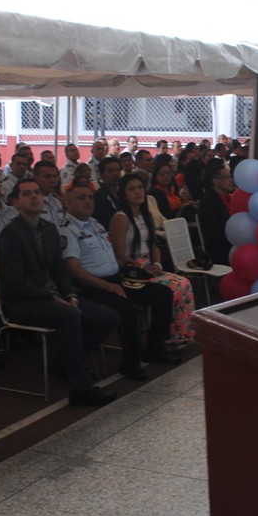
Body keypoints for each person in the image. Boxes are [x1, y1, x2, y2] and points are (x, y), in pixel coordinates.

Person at [0, 179, 117, 406]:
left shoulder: (49, 229)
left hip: (54, 297)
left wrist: (70, 294)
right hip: (25, 302)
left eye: (37, 193)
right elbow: (15, 283)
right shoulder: (11, 234)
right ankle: (80, 389)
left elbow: (59, 271)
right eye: (27, 194)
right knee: (70, 316)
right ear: (17, 202)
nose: (34, 197)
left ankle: (63, 362)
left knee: (107, 317)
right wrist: (52, 297)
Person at [60, 185, 180, 380]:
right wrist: (108, 286)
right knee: (125, 307)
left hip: (116, 277)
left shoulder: (95, 224)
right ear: (67, 203)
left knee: (162, 293)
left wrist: (132, 267)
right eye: (81, 198)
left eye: (90, 197)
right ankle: (131, 362)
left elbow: (112, 256)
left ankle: (154, 348)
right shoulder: (67, 230)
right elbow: (73, 269)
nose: (88, 201)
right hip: (90, 285)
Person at [110, 174, 195, 347]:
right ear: (124, 194)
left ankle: (178, 335)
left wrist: (157, 264)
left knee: (184, 283)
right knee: (176, 286)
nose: (137, 192)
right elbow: (119, 254)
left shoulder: (145, 214)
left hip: (149, 266)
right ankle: (167, 336)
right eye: (132, 189)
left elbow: (154, 245)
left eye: (140, 188)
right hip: (130, 270)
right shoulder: (121, 218)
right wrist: (142, 268)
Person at [197, 164, 234, 265]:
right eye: (227, 177)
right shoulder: (208, 202)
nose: (231, 180)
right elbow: (212, 234)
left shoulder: (232, 198)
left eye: (230, 176)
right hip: (222, 250)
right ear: (216, 181)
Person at [148, 156, 184, 220]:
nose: (166, 176)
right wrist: (182, 209)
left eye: (168, 173)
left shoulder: (174, 189)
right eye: (162, 174)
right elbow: (164, 214)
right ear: (155, 176)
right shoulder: (154, 193)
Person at [92, 157, 122, 229]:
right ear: (101, 175)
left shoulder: (124, 194)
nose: (116, 174)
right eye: (111, 171)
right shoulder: (99, 197)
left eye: (118, 170)